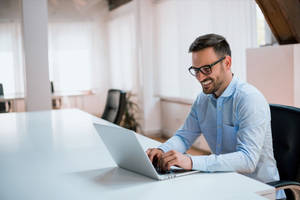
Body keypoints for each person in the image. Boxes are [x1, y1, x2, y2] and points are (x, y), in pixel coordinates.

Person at [146, 34, 285, 199]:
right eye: (195, 70)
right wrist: (161, 151)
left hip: (259, 191)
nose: (200, 77)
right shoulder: (202, 100)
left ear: (227, 63)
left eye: (206, 69)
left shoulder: (249, 99)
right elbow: (184, 137)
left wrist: (191, 162)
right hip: (223, 184)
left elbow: (247, 160)